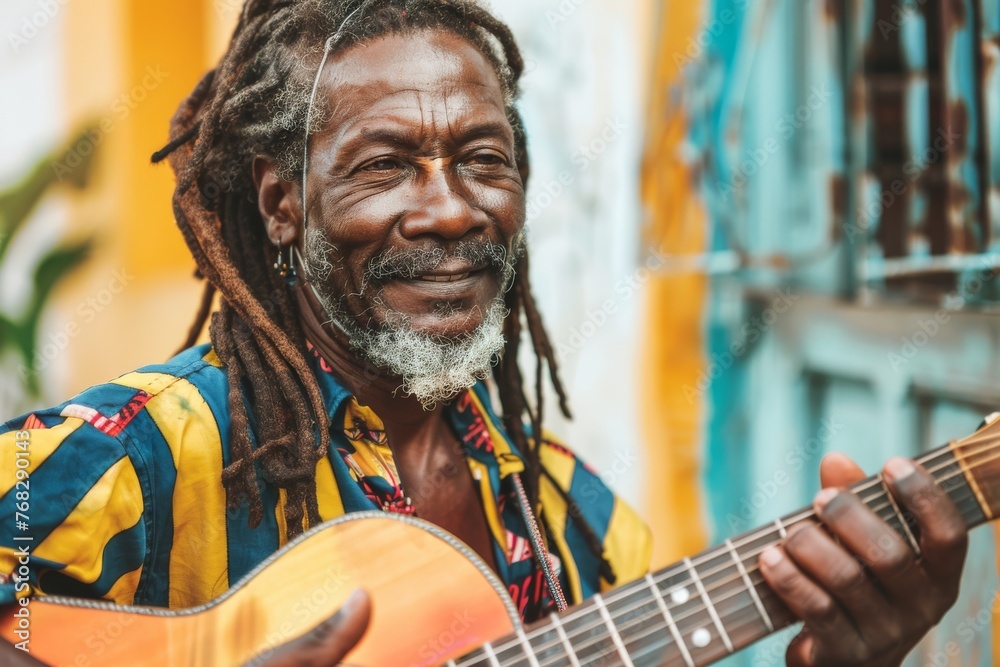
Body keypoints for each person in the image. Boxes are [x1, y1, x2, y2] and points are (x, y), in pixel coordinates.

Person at [0, 1, 969, 666]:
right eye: (386, 165)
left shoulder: (579, 528)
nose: (452, 209)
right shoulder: (129, 457)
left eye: (482, 159)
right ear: (282, 205)